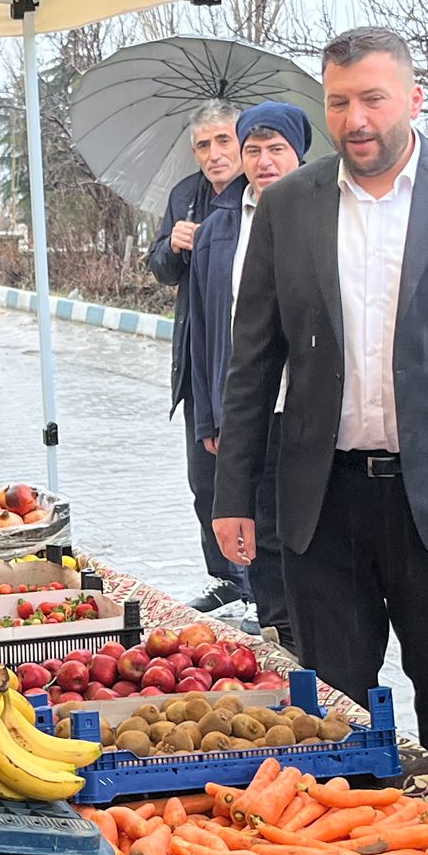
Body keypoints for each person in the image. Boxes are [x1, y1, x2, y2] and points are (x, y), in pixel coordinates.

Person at [213, 29, 428, 786]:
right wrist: (234, 492)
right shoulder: (290, 204)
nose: (355, 119)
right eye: (338, 102)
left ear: (413, 98)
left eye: (372, 98)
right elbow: (253, 361)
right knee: (335, 707)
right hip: (321, 500)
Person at [185, 101, 312, 648]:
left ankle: (315, 634)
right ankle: (278, 631)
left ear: (299, 154)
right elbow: (208, 329)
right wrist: (211, 415)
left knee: (305, 529)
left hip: (310, 409)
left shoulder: (324, 215)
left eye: (276, 149)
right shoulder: (219, 229)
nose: (263, 161)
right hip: (249, 406)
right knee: (256, 526)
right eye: (252, 150)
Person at [149, 102, 249, 613]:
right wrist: (173, 244)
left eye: (224, 141)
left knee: (243, 477)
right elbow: (159, 267)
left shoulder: (256, 196)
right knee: (203, 482)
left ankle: (258, 585)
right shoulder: (185, 196)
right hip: (194, 359)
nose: (214, 154)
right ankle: (226, 578)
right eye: (204, 145)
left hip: (238, 359)